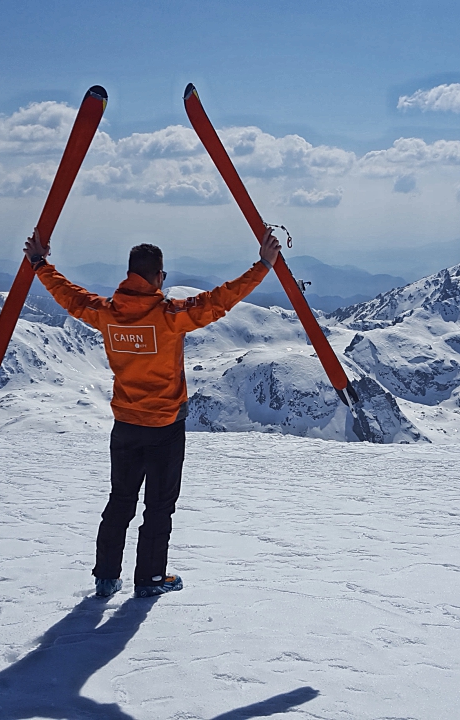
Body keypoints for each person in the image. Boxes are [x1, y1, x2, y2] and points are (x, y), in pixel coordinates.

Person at [24, 228, 281, 598]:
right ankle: (150, 580)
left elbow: (69, 296)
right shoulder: (170, 316)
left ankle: (106, 578)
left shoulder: (106, 314)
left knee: (120, 502)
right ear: (158, 276)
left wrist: (39, 263)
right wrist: (263, 266)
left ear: (131, 274)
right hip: (165, 427)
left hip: (125, 424)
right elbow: (218, 301)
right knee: (158, 507)